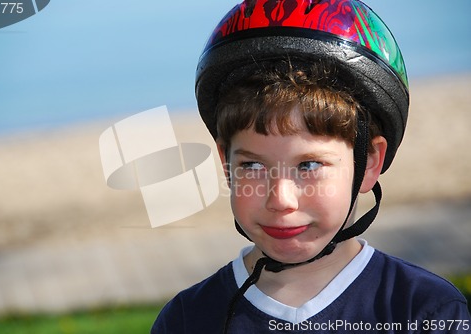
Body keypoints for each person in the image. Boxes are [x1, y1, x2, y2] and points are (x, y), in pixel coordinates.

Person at [152, 0, 471, 333]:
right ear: (226, 164)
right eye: (253, 166)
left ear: (369, 163)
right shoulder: (186, 320)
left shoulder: (424, 310)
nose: (280, 199)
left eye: (309, 165)